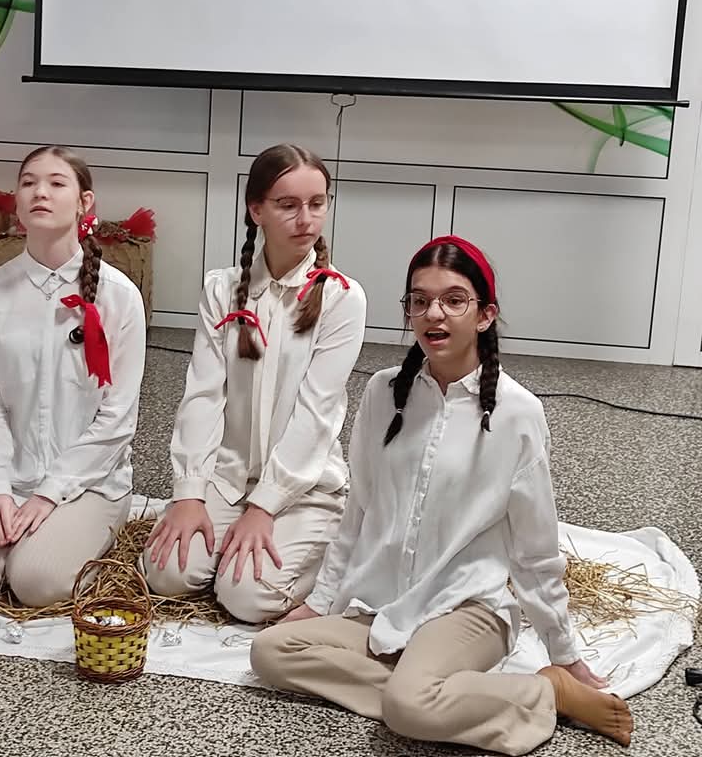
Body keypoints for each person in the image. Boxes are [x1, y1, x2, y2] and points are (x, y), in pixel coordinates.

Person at [250, 236, 634, 754]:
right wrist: (320, 604)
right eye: (420, 300)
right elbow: (358, 511)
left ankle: (546, 692)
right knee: (271, 651)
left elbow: (535, 549)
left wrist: (563, 655)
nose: (434, 314)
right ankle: (428, 689)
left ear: (485, 315)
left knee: (409, 708)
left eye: (454, 300)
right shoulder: (383, 393)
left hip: (468, 608)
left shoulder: (518, 413)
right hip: (384, 603)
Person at [143, 143, 367, 623]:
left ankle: (333, 549)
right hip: (229, 478)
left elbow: (315, 415)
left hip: (302, 485)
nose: (306, 219)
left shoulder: (343, 298)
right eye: (288, 205)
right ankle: (227, 540)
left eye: (317, 203)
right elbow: (203, 396)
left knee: (247, 597)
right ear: (256, 210)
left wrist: (264, 507)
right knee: (167, 574)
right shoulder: (221, 289)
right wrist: (189, 493)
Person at [0, 145, 146, 606]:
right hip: (8, 474)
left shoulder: (119, 297)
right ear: (16, 200)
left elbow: (116, 419)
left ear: (85, 202)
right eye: (29, 182)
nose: (40, 192)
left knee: (36, 582)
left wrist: (50, 494)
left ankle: (82, 534)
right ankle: (16, 524)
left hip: (87, 481)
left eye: (56, 183)